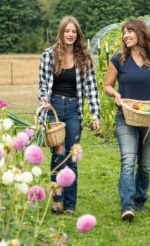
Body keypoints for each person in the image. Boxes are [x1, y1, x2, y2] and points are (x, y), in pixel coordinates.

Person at [104, 19, 150, 221]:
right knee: (128, 160)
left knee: (145, 164)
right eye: (124, 33)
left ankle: (140, 200)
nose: (126, 36)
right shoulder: (118, 60)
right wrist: (116, 95)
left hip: (149, 117)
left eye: (130, 31)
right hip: (126, 116)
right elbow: (108, 85)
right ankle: (127, 205)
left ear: (141, 33)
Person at [39, 16, 101, 215]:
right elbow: (43, 86)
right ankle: (57, 200)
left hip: (74, 109)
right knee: (58, 154)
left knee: (72, 156)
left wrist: (95, 114)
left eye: (74, 31)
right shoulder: (48, 55)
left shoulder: (84, 56)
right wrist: (44, 100)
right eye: (67, 31)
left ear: (78, 34)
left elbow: (91, 87)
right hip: (55, 108)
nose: (70, 34)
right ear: (61, 32)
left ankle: (70, 205)